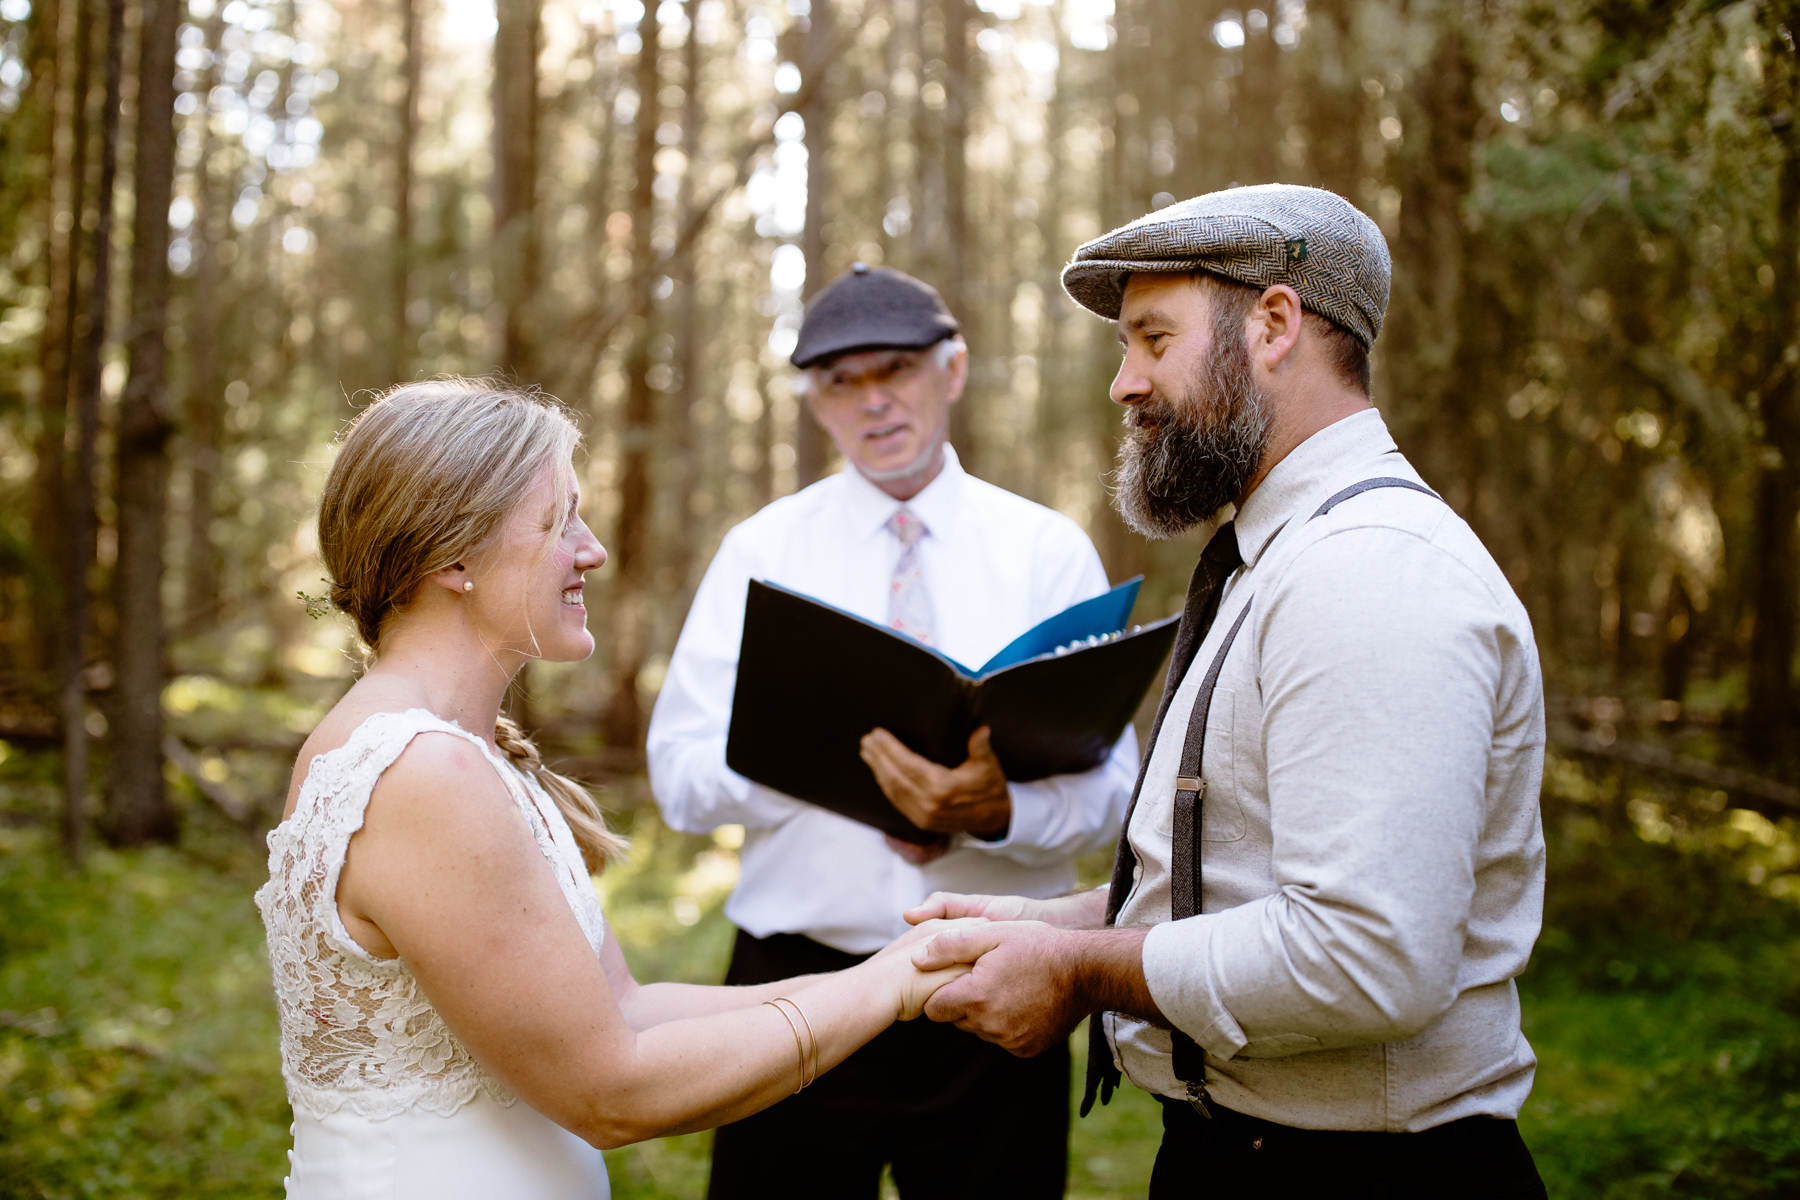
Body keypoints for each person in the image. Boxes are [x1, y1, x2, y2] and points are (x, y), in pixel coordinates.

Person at [907, 185, 1550, 1198]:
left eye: (1152, 339)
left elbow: (1366, 956)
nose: (1124, 384)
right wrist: (1058, 927)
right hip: (1240, 1154)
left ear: (1275, 324)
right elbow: (1246, 876)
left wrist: (1081, 974)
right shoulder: (1282, 557)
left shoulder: (1369, 570)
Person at [254, 378, 974, 1200]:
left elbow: (623, 1009)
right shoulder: (421, 772)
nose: (592, 550)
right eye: (560, 520)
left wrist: (895, 971)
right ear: (453, 554)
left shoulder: (457, 752)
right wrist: (887, 988)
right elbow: (611, 1089)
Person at [646, 262, 1137, 1198]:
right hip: (792, 986)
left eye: (896, 371)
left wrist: (999, 812)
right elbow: (678, 774)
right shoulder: (762, 551)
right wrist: (822, 755)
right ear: (813, 403)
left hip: (990, 980)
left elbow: (1118, 795)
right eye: (842, 382)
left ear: (950, 371)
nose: (874, 403)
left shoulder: (1045, 551)